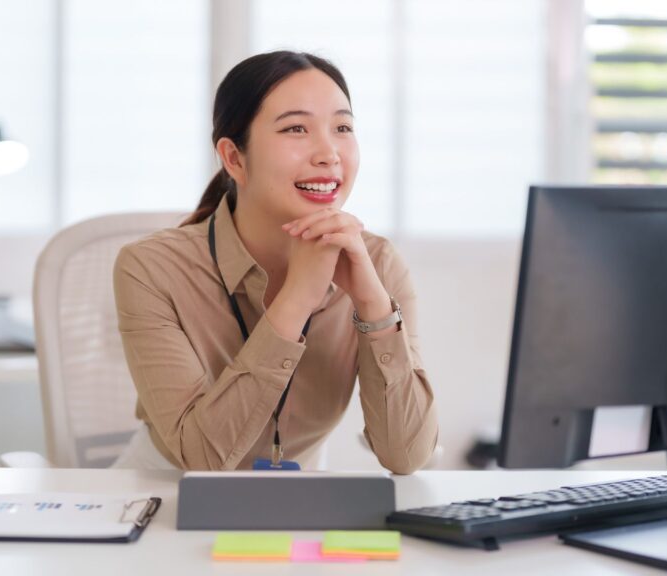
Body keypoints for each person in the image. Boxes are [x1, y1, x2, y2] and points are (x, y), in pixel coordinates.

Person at [112, 51, 437, 474]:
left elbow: (407, 457)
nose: (329, 153)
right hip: (163, 488)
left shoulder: (377, 263)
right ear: (234, 158)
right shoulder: (151, 269)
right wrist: (297, 297)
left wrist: (374, 308)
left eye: (342, 127)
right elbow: (202, 458)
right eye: (296, 128)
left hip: (300, 496)